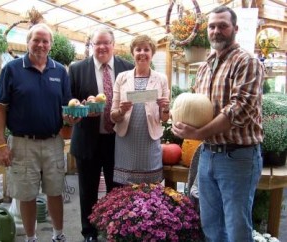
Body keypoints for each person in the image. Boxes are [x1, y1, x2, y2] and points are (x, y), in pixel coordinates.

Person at [172, 6, 264, 242]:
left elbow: (239, 109)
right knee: (210, 223)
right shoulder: (204, 67)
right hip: (208, 154)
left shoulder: (247, 62)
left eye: (222, 25)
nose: (216, 31)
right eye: (212, 26)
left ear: (235, 28)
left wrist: (199, 132)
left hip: (237, 157)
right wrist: (178, 122)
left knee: (236, 226)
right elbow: (194, 104)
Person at [0, 23, 74, 242]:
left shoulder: (60, 71)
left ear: (51, 45)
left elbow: (67, 108)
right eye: (36, 40)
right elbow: (0, 108)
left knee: (55, 191)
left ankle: (59, 235)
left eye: (45, 41)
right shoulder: (11, 69)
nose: (40, 44)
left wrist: (72, 117)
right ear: (27, 42)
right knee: (26, 195)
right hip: (22, 143)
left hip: (53, 142)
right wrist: (1, 145)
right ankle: (31, 238)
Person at [68, 27, 134, 242]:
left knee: (117, 190)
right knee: (87, 190)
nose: (102, 47)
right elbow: (70, 102)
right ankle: (89, 232)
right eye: (98, 43)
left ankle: (114, 229)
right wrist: (80, 107)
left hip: (118, 140)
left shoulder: (127, 68)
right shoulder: (77, 69)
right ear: (92, 46)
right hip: (88, 140)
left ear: (114, 45)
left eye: (106, 43)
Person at [110, 34, 170, 186]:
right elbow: (113, 116)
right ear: (133, 53)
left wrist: (165, 108)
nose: (142, 53)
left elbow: (164, 118)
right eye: (138, 49)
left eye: (146, 49)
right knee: (126, 189)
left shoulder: (161, 79)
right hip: (126, 140)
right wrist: (122, 111)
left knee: (150, 188)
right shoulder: (122, 78)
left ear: (152, 53)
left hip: (149, 140)